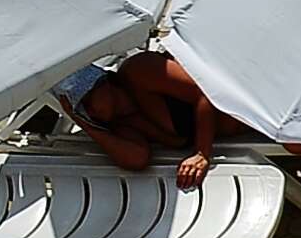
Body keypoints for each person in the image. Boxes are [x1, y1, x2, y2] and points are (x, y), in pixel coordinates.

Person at [63, 46, 219, 186]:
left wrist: (202, 153)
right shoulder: (120, 123)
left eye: (88, 102)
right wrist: (84, 124)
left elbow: (205, 92)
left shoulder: (137, 71)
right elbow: (137, 159)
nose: (90, 112)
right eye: (83, 111)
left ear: (102, 84)